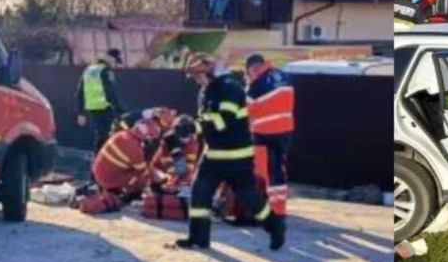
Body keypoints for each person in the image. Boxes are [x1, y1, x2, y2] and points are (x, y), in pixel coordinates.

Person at [176, 53, 285, 251]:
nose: (196, 80)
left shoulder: (230, 88)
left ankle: (275, 226)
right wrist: (192, 128)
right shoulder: (207, 90)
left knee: (249, 198)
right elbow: (209, 120)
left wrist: (195, 127)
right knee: (199, 194)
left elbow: (222, 121)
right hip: (213, 155)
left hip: (237, 157)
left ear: (209, 71)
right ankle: (198, 238)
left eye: (198, 76)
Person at [245, 53, 295, 218]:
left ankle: (266, 209)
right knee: (278, 168)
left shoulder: (257, 83)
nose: (249, 75)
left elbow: (246, 110)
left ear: (254, 68)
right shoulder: (285, 76)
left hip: (264, 132)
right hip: (286, 129)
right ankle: (279, 209)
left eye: (249, 72)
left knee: (263, 171)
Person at [91, 116, 162, 201]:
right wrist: (156, 182)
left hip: (98, 172)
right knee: (142, 176)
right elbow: (143, 172)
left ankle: (113, 187)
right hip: (107, 180)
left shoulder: (121, 134)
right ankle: (131, 195)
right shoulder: (135, 149)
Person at [76, 49, 124, 158]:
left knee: (102, 135)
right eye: (115, 61)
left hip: (93, 108)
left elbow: (80, 91)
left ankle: (99, 160)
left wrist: (80, 112)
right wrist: (121, 110)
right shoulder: (106, 71)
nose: (115, 64)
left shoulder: (89, 69)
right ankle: (100, 161)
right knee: (106, 136)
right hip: (104, 108)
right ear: (110, 58)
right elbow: (110, 93)